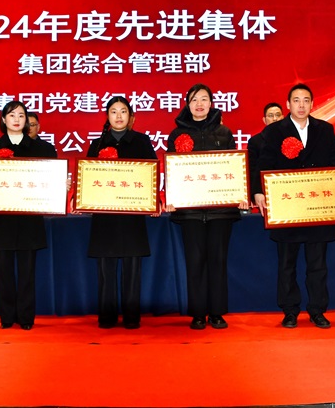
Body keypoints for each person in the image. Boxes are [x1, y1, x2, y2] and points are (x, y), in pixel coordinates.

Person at [253, 83, 335, 329]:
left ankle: (317, 310)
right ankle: (290, 311)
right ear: (288, 104)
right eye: (296, 100)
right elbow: (264, 163)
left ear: (312, 104)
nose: (301, 105)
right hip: (287, 206)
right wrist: (258, 191)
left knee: (317, 264)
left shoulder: (325, 129)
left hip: (317, 206)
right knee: (286, 263)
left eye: (306, 100)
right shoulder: (275, 131)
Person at [166, 83, 249, 330]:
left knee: (217, 261)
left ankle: (216, 312)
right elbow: (172, 172)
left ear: (211, 103)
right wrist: (171, 196)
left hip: (220, 212)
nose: (199, 104)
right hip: (190, 212)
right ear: (187, 104)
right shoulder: (176, 134)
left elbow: (233, 169)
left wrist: (240, 194)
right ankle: (198, 313)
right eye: (194, 100)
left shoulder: (224, 132)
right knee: (195, 262)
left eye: (204, 99)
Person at [0, 100, 57, 330]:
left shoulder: (41, 148)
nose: (17, 119)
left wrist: (60, 187)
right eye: (12, 115)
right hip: (2, 220)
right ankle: (7, 316)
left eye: (21, 115)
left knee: (27, 271)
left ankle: (26, 317)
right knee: (4, 270)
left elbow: (52, 180)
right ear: (3, 119)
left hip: (29, 220)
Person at [86, 96, 158, 329]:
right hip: (105, 217)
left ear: (131, 117)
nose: (118, 116)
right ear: (107, 116)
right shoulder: (97, 144)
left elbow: (152, 175)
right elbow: (87, 179)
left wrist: (153, 201)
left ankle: (131, 317)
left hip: (131, 216)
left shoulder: (142, 141)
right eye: (113, 111)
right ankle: (106, 316)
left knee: (132, 268)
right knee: (105, 270)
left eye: (123, 111)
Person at [248, 102, 284, 196]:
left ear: (283, 118)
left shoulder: (290, 139)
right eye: (271, 116)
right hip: (265, 189)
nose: (275, 119)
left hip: (287, 186)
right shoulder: (255, 141)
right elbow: (252, 171)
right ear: (264, 120)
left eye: (278, 115)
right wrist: (256, 192)